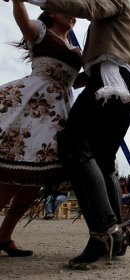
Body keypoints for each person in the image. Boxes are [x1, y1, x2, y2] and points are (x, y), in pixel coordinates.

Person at [24, 0, 130, 267]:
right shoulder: (108, 22)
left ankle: (105, 232)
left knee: (73, 145)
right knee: (103, 159)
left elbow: (86, 7)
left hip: (110, 85)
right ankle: (117, 232)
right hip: (119, 86)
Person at [0, 1, 82, 257]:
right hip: (31, 103)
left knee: (34, 180)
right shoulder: (40, 31)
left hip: (58, 111)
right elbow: (22, 21)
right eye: (65, 8)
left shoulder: (77, 48)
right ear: (50, 13)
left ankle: (4, 236)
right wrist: (17, 0)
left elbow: (73, 80)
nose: (72, 15)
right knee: (13, 176)